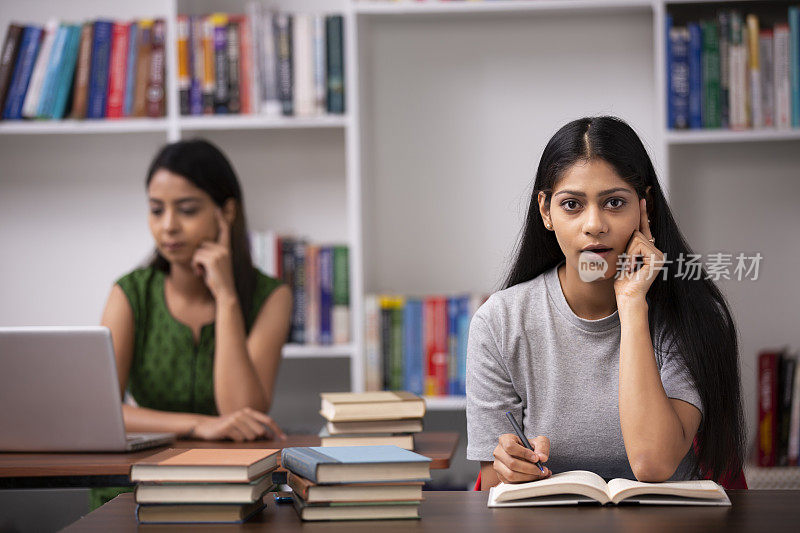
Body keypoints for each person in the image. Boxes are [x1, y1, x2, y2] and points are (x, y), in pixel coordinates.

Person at [466, 116, 745, 490]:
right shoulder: (499, 322)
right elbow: (489, 481)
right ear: (546, 211)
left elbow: (653, 463)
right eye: (572, 205)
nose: (594, 224)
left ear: (646, 209)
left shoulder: (691, 316)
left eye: (614, 202)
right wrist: (512, 468)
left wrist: (632, 304)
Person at [93, 139, 292, 508]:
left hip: (230, 487)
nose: (167, 226)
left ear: (226, 212)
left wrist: (227, 298)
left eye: (186, 210)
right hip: (135, 488)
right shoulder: (130, 293)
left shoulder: (271, 296)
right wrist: (196, 425)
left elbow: (243, 409)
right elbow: (103, 411)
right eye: (156, 210)